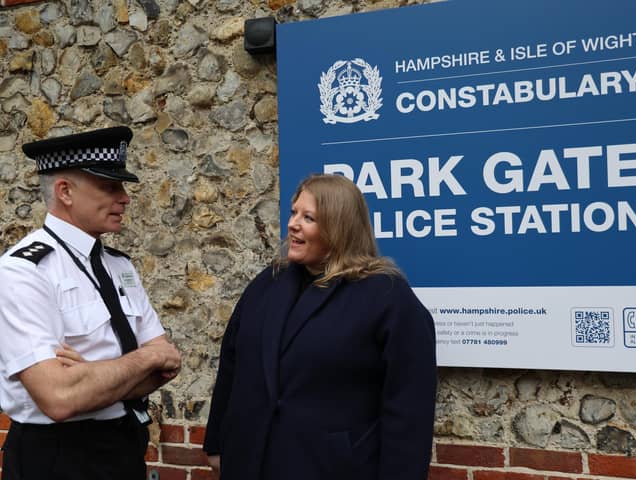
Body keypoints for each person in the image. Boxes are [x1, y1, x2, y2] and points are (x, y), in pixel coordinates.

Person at [203, 173, 437, 480]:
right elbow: (233, 367)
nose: (293, 224)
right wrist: (218, 443)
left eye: (308, 217)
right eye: (294, 212)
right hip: (250, 460)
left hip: (330, 466)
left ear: (338, 227)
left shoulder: (387, 297)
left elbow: (408, 410)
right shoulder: (267, 284)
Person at [0, 126, 182, 480]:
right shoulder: (22, 271)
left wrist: (92, 375)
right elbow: (59, 398)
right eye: (110, 186)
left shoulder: (118, 265)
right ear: (65, 191)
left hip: (123, 446)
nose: (125, 198)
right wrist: (142, 359)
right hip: (58, 456)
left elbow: (168, 364)